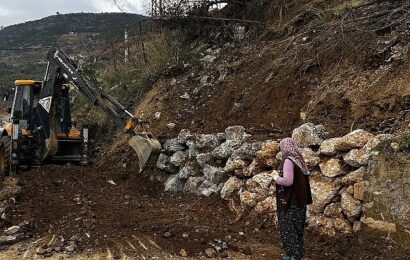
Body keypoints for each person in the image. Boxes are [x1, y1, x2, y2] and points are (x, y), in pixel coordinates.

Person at [272, 138, 312, 260]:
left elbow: (288, 181)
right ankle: (297, 255)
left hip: (290, 203)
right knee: (297, 229)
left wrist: (275, 177)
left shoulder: (288, 161)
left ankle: (291, 255)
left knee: (288, 229)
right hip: (300, 202)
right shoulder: (299, 161)